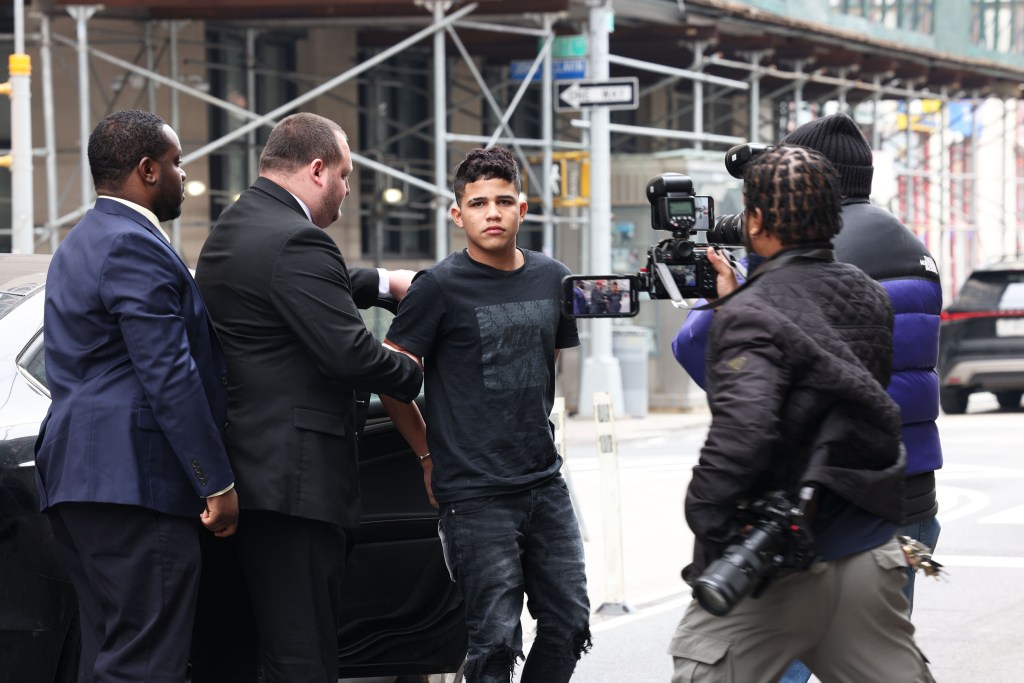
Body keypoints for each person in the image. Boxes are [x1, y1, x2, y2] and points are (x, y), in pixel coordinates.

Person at [673, 113, 943, 683]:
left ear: (762, 220)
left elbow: (740, 422)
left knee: (707, 659)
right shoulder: (878, 282)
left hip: (788, 538)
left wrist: (708, 524)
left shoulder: (755, 306)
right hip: (883, 519)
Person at [191, 112, 423, 683]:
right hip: (297, 490)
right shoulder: (298, 238)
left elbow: (300, 284)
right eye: (345, 176)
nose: (348, 190)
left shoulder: (237, 225)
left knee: (250, 654)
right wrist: (413, 367)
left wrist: (381, 279)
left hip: (251, 478)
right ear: (317, 170)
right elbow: (350, 355)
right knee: (304, 660)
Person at [34, 109, 239, 682]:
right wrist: (215, 480)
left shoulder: (78, 243)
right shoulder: (134, 244)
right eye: (176, 164)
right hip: (135, 483)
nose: (182, 175)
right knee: (146, 661)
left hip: (78, 482)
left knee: (111, 656)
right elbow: (168, 371)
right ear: (148, 170)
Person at [381, 146, 592, 682]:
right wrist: (427, 453)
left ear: (523, 209)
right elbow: (390, 378)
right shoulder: (438, 287)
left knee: (569, 624)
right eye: (478, 203)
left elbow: (547, 362)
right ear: (459, 215)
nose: (492, 212)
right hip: (474, 494)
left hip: (544, 481)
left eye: (503, 201)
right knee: (494, 643)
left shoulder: (554, 278)